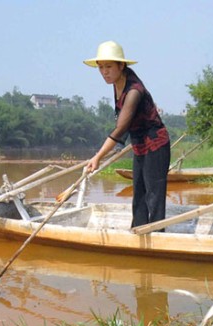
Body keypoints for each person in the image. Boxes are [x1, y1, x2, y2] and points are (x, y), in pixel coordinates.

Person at [84, 41, 171, 228]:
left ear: (121, 65)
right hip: (139, 144)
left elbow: (121, 128)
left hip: (156, 145)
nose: (104, 72)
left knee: (154, 196)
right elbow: (124, 125)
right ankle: (138, 232)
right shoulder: (117, 84)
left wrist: (98, 156)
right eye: (101, 68)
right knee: (138, 193)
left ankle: (157, 236)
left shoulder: (134, 91)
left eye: (108, 67)